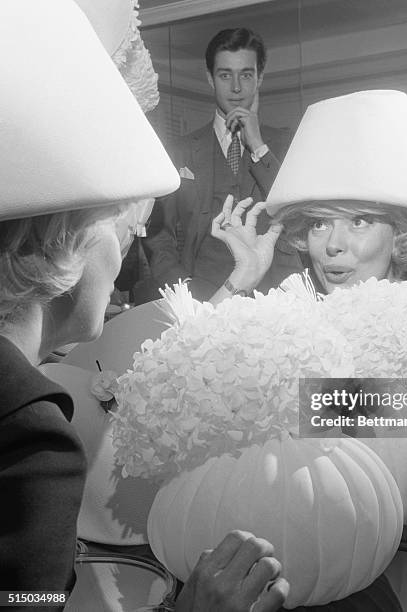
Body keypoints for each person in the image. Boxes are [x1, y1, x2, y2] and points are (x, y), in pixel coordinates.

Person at [0, 3, 289, 611]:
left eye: (358, 219)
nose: (334, 240)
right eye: (125, 223)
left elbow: (362, 417)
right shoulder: (33, 424)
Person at [209, 90, 407, 464]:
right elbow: (194, 395)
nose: (333, 245)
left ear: (401, 232)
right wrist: (242, 278)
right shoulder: (287, 314)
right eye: (319, 223)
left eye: (358, 221)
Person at [143, 27, 303, 302]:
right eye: (225, 75)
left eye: (246, 74)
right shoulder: (178, 151)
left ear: (260, 78)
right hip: (201, 301)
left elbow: (297, 215)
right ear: (210, 78)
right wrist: (182, 289)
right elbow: (158, 233)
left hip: (275, 303)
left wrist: (258, 146)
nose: (237, 87)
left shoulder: (287, 145)